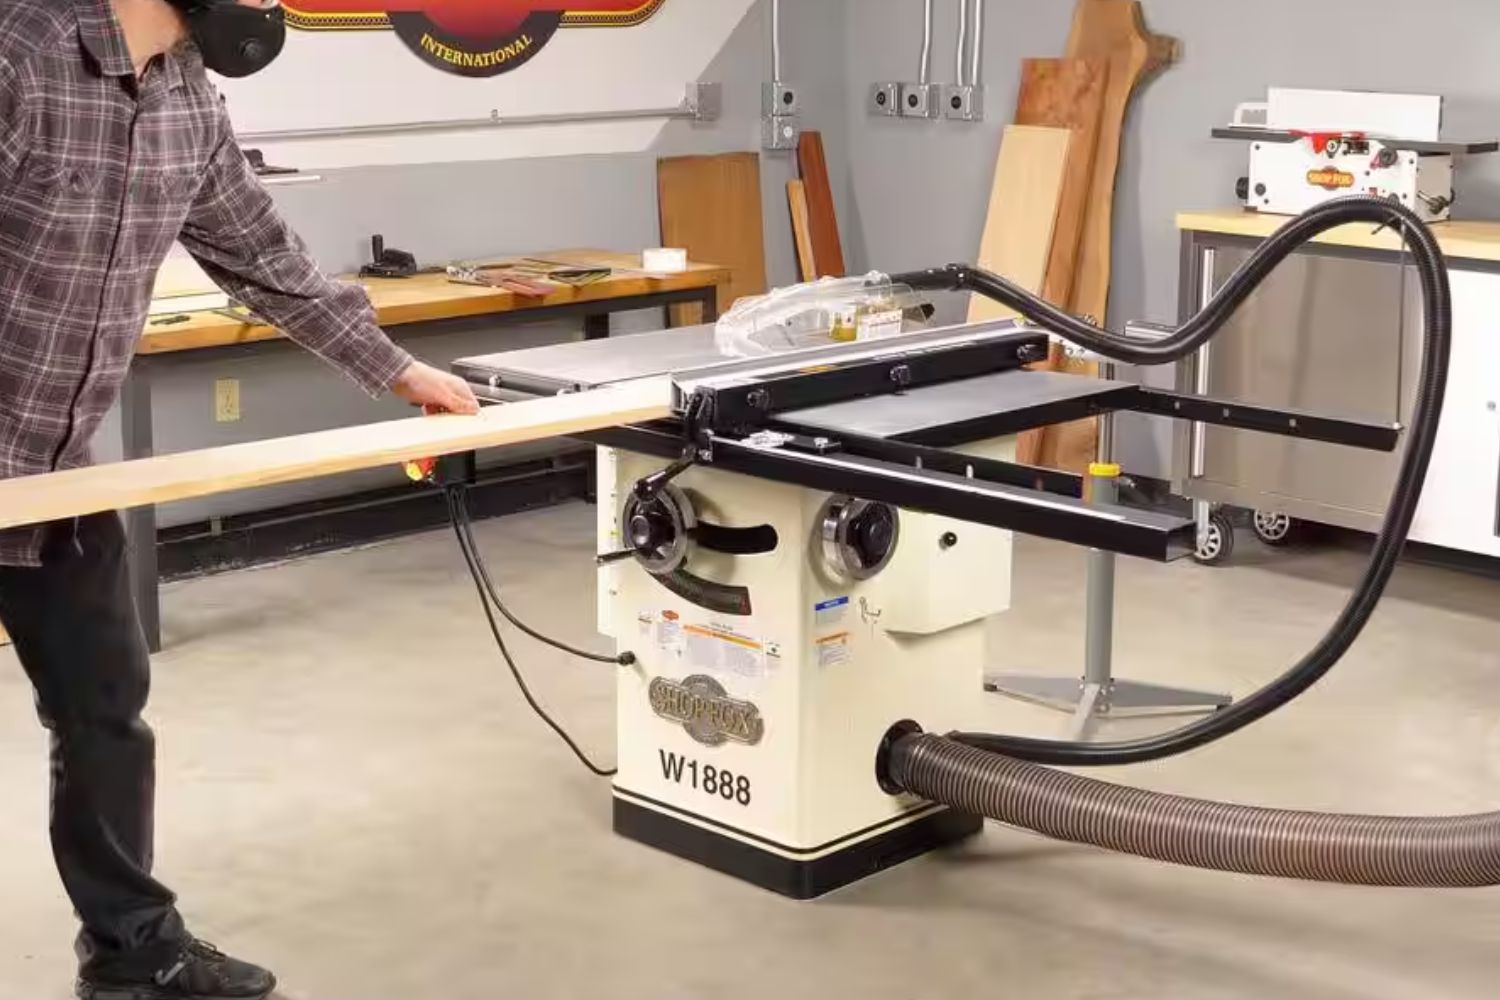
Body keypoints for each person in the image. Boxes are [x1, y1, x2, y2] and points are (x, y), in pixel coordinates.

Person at [0, 1, 480, 997]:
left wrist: (394, 368)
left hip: (54, 464)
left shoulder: (186, 97)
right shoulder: (22, 54)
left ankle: (133, 950)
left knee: (103, 705)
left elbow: (262, 255)